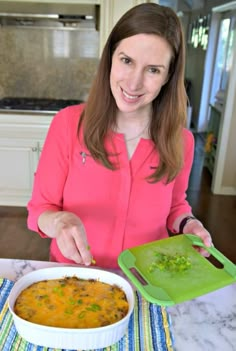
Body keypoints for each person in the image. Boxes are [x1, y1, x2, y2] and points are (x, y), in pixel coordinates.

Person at [27, 3, 213, 269]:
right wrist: (59, 222)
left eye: (153, 69)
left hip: (148, 279)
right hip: (75, 277)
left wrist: (189, 224)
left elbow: (175, 207)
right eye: (127, 61)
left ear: (168, 76)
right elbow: (39, 209)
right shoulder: (68, 124)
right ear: (111, 58)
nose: (134, 83)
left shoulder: (181, 141)